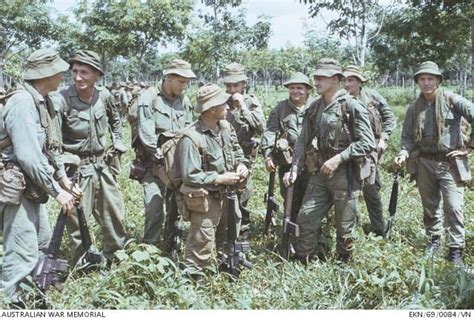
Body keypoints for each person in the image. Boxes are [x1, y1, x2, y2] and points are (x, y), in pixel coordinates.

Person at [0, 49, 77, 307]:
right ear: (46, 74)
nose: (63, 75)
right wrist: (57, 191)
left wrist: (62, 178)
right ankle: (13, 304)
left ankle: (33, 298)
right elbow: (29, 156)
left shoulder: (43, 101)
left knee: (42, 242)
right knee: (21, 250)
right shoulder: (22, 102)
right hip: (17, 185)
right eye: (59, 71)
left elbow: (50, 146)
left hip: (32, 184)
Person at [283, 58, 375, 263]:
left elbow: (368, 143)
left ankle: (344, 263)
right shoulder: (315, 108)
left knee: (345, 226)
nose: (316, 82)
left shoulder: (351, 106)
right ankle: (304, 259)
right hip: (320, 172)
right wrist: (295, 169)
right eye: (315, 77)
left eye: (321, 78)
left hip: (346, 174)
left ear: (335, 79)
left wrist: (338, 158)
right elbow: (302, 142)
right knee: (305, 218)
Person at [52, 49, 127, 265]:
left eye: (84, 72)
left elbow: (116, 120)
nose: (77, 77)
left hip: (103, 167)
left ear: (96, 74)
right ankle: (85, 263)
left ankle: (115, 257)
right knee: (77, 221)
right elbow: (54, 143)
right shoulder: (62, 100)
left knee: (114, 214)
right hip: (77, 171)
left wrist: (118, 141)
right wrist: (61, 177)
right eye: (75, 71)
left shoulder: (104, 96)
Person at [394, 61, 474, 264]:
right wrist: (403, 153)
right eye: (422, 79)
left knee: (454, 207)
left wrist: (469, 147)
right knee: (429, 207)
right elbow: (406, 138)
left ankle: (455, 249)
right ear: (417, 82)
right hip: (424, 163)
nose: (426, 83)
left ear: (438, 80)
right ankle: (433, 241)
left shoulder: (452, 100)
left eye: (430, 78)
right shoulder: (414, 108)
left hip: (449, 162)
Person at [179, 83, 249, 272]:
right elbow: (190, 175)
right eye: (223, 104)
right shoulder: (191, 138)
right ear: (210, 110)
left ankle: (225, 265)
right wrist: (219, 179)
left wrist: (242, 165)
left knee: (228, 236)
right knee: (202, 243)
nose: (228, 107)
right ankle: (193, 277)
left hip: (229, 195)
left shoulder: (225, 127)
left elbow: (237, 151)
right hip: (206, 199)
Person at [135, 58, 195, 247]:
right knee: (154, 207)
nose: (185, 86)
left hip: (176, 166)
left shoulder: (184, 101)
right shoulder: (149, 97)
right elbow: (146, 133)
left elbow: (189, 130)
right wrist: (161, 160)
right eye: (182, 81)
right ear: (168, 78)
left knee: (175, 206)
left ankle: (170, 243)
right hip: (154, 165)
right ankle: (149, 248)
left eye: (187, 82)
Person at [342, 65, 396, 236]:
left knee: (371, 189)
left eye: (351, 80)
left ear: (359, 82)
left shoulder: (372, 98)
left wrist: (383, 139)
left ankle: (379, 229)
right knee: (349, 190)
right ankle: (352, 229)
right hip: (347, 150)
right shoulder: (339, 99)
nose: (347, 84)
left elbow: (390, 117)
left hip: (369, 151)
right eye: (344, 80)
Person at [260, 72, 316, 222]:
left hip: (312, 162)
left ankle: (308, 234)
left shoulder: (317, 106)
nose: (295, 91)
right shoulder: (281, 108)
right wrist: (268, 154)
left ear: (307, 90)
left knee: (312, 200)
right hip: (289, 161)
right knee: (291, 199)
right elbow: (271, 131)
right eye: (292, 88)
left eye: (299, 88)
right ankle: (290, 231)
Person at [222, 62, 265, 238]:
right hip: (223, 156)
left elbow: (261, 127)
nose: (232, 89)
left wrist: (243, 109)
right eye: (228, 85)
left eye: (236, 85)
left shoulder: (251, 102)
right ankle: (224, 234)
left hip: (245, 158)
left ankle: (242, 234)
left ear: (243, 84)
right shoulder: (219, 101)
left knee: (243, 195)